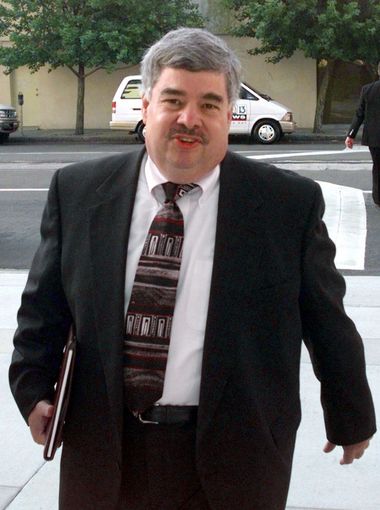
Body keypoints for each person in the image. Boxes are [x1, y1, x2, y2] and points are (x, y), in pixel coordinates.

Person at [9, 28, 376, 510]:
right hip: (104, 446)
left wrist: (350, 412)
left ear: (229, 114)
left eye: (208, 104)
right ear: (146, 109)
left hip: (237, 452)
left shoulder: (287, 205)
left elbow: (326, 318)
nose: (190, 119)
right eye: (173, 100)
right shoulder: (79, 193)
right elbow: (43, 310)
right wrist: (32, 388)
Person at [345, 63, 380, 206]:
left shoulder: (368, 89)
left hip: (374, 137)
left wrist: (351, 134)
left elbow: (359, 114)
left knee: (377, 166)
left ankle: (378, 198)